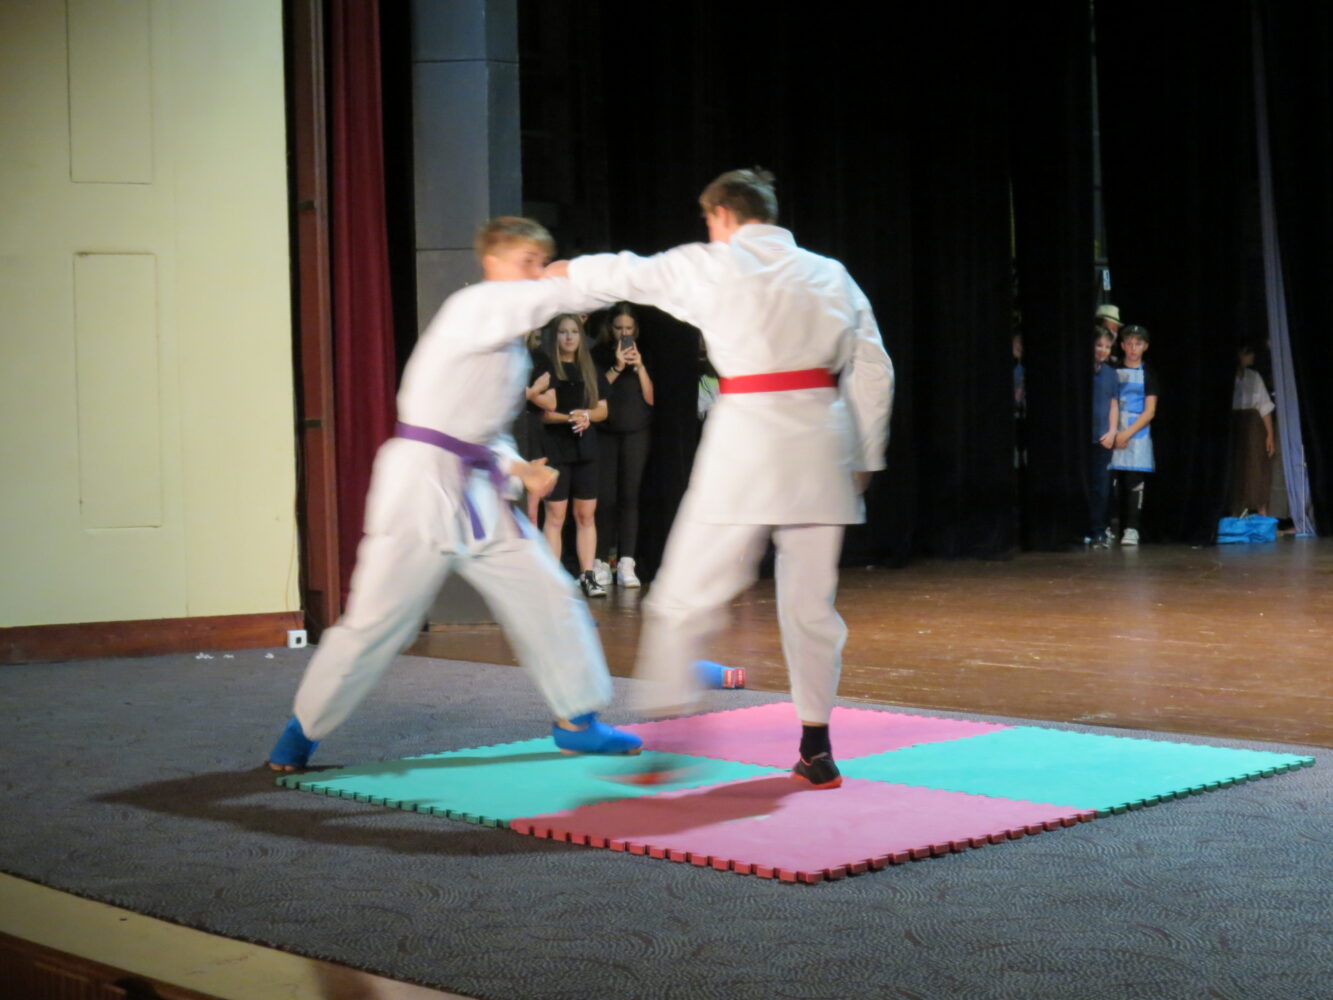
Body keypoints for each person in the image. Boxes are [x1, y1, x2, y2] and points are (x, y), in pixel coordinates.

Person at [550, 168, 894, 789]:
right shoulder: (831, 274)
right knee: (810, 607)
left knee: (683, 593)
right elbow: (873, 367)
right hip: (820, 440)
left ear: (722, 215)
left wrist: (566, 272)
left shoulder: (716, 262)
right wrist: (866, 454)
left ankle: (670, 731)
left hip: (747, 440)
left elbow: (630, 273)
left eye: (709, 220)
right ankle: (816, 747)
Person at [266, 218, 641, 771]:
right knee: (379, 622)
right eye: (526, 262)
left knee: (549, 594)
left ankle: (577, 721)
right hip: (420, 486)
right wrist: (588, 274)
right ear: (493, 262)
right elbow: (555, 297)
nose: (536, 273)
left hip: (476, 489)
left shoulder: (511, 348)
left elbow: (481, 432)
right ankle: (301, 733)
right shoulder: (476, 307)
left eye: (541, 263)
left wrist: (519, 468)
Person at [539, 314, 610, 598]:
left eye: (574, 332)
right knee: (555, 515)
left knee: (585, 515)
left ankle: (587, 575)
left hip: (585, 448)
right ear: (555, 336)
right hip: (556, 447)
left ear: (581, 337)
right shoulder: (547, 369)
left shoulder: (590, 368)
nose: (569, 337)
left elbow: (603, 410)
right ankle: (551, 580)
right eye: (563, 332)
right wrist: (571, 417)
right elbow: (544, 414)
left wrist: (586, 415)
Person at [591, 303, 654, 589]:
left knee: (630, 497)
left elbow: (651, 399)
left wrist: (639, 367)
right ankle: (601, 561)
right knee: (605, 498)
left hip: (636, 431)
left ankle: (627, 562)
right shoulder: (599, 353)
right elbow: (594, 393)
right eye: (619, 328)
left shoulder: (645, 353)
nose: (623, 334)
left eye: (628, 328)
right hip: (605, 431)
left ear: (636, 329)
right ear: (610, 328)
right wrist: (617, 367)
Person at [1109, 324, 1159, 546]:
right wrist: (1115, 432)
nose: (1133, 348)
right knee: (1111, 482)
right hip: (1113, 428)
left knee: (1134, 482)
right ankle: (1109, 526)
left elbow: (1150, 411)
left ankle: (1132, 528)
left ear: (1145, 346)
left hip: (1137, 433)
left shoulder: (1149, 375)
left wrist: (1127, 433)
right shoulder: (1113, 371)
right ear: (1122, 345)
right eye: (1129, 343)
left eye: (1137, 344)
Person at [1228, 342, 1275, 516]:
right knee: (1237, 469)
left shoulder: (1254, 377)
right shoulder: (1229, 377)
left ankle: (1262, 513)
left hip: (1253, 427)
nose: (1252, 356)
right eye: (1248, 353)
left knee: (1256, 468)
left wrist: (1270, 435)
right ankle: (1237, 514)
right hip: (1235, 425)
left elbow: (1264, 407)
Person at [1088, 329, 1120, 548]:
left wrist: (1112, 431)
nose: (1103, 350)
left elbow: (1113, 404)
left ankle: (1098, 530)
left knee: (1101, 487)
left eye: (1107, 347)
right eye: (1099, 345)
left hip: (1103, 438)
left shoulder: (1111, 373)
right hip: (1085, 439)